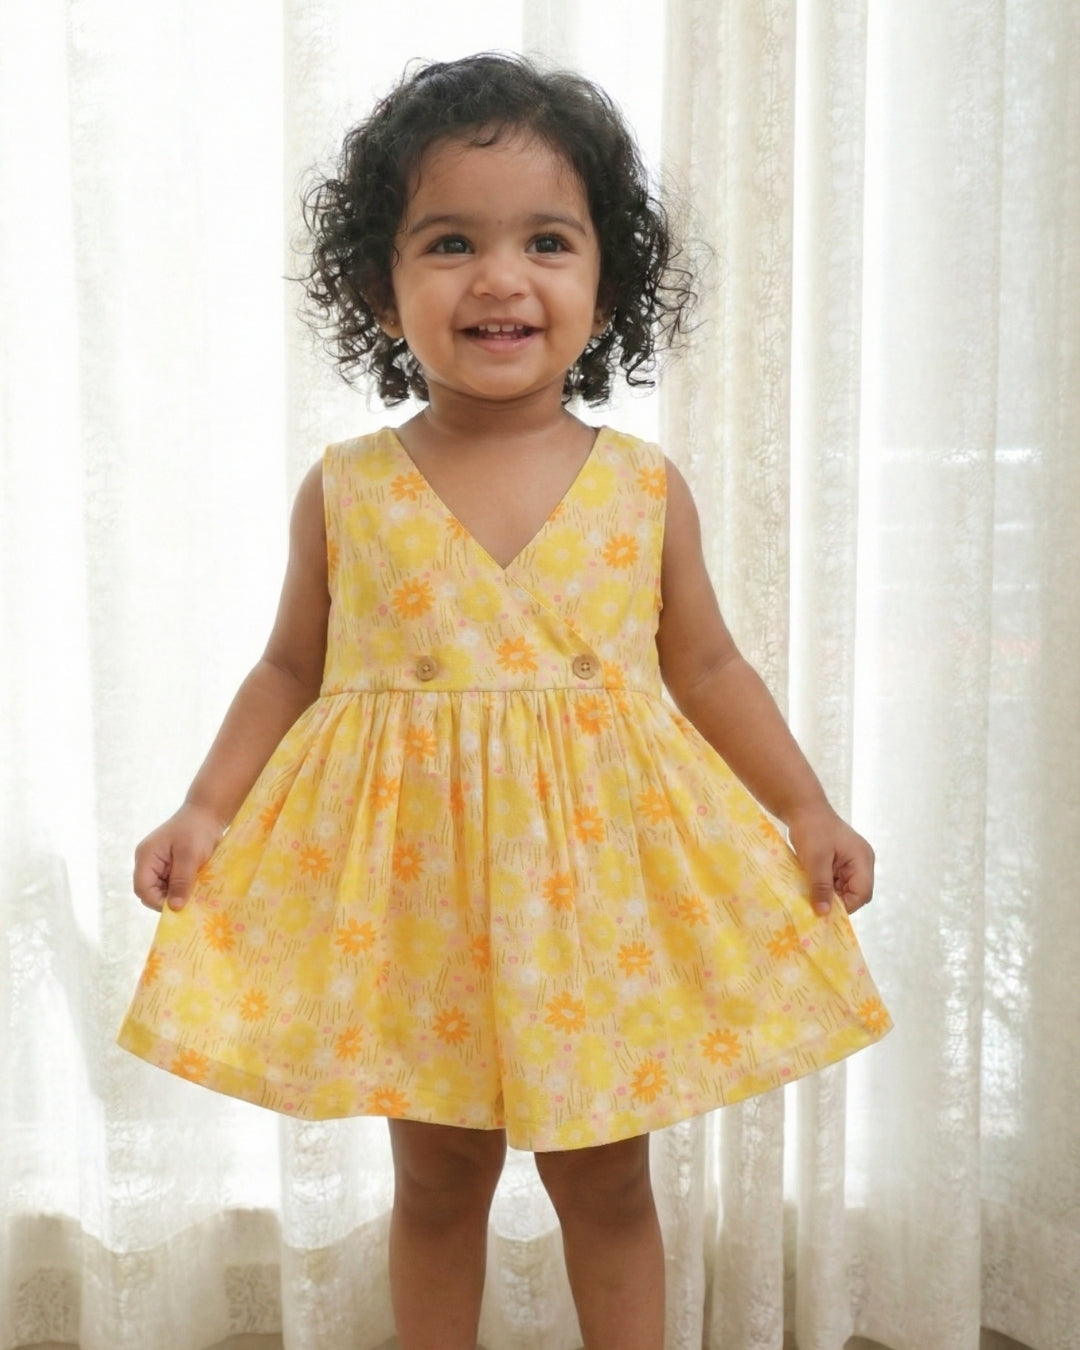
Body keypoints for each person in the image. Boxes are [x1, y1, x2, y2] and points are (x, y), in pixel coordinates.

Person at [119, 52, 891, 1350]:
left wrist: (805, 807)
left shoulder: (643, 487)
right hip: (417, 896)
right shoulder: (347, 490)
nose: (498, 277)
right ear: (380, 289)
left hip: (595, 897)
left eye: (546, 240)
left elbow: (708, 668)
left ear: (606, 282)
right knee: (437, 1179)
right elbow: (290, 668)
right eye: (449, 242)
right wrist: (205, 808)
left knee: (606, 1180)